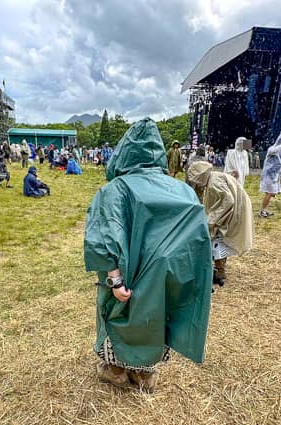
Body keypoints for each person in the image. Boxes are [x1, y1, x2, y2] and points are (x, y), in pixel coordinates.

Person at [84, 118, 212, 393]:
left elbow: (104, 238)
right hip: (166, 278)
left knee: (119, 315)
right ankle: (143, 374)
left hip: (125, 276)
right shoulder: (183, 191)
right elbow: (197, 239)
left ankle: (116, 370)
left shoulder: (114, 190)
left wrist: (115, 280)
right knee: (156, 315)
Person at [187, 160, 253, 287]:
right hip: (237, 207)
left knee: (217, 238)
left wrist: (212, 219)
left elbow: (228, 201)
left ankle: (220, 271)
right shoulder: (214, 177)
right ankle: (219, 268)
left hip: (234, 210)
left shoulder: (213, 183)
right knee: (218, 237)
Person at [259, 132, 281, 217]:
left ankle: (264, 209)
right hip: (269, 175)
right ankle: (262, 211)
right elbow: (276, 150)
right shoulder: (272, 149)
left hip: (275, 176)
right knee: (269, 193)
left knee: (271, 193)